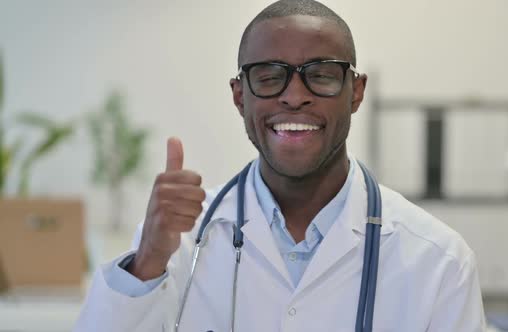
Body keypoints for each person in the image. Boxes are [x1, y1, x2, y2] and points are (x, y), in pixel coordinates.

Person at [74, 1, 486, 331]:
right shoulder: (179, 246)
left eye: (321, 75)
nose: (294, 96)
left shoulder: (438, 262)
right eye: (270, 77)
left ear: (355, 92)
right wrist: (147, 258)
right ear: (240, 97)